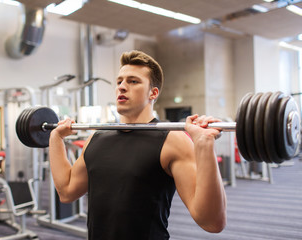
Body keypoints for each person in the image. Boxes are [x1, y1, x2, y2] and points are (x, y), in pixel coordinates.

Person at [49, 50, 227, 240]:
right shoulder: (97, 137)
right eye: (119, 81)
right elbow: (67, 191)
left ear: (153, 93)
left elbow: (211, 222)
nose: (122, 87)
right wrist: (55, 139)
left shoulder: (172, 141)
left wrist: (204, 145)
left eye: (133, 81)